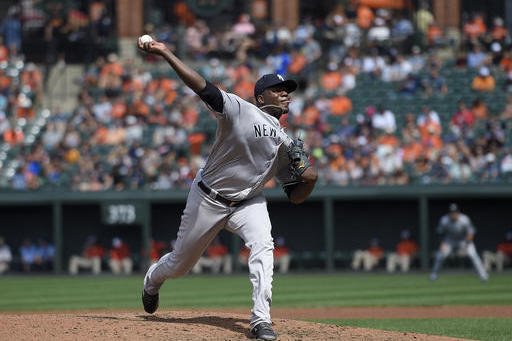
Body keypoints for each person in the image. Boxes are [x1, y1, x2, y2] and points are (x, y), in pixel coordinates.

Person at [138, 36, 317, 341]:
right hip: (208, 197)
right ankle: (153, 280)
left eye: (288, 90)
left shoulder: (287, 141)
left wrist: (310, 180)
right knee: (180, 264)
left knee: (264, 244)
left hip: (248, 201)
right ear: (261, 97)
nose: (286, 94)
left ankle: (261, 320)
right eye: (279, 89)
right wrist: (167, 52)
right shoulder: (241, 109)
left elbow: (295, 196)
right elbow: (202, 87)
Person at [430, 203, 488, 281]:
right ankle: (434, 274)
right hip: (449, 241)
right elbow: (440, 233)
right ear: (449, 213)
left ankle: (483, 275)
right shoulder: (444, 220)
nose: (453, 214)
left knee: (473, 255)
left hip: (464, 240)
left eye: (455, 212)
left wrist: (466, 246)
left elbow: (470, 233)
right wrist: (442, 243)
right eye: (451, 212)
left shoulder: (464, 219)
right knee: (440, 255)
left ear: (458, 212)